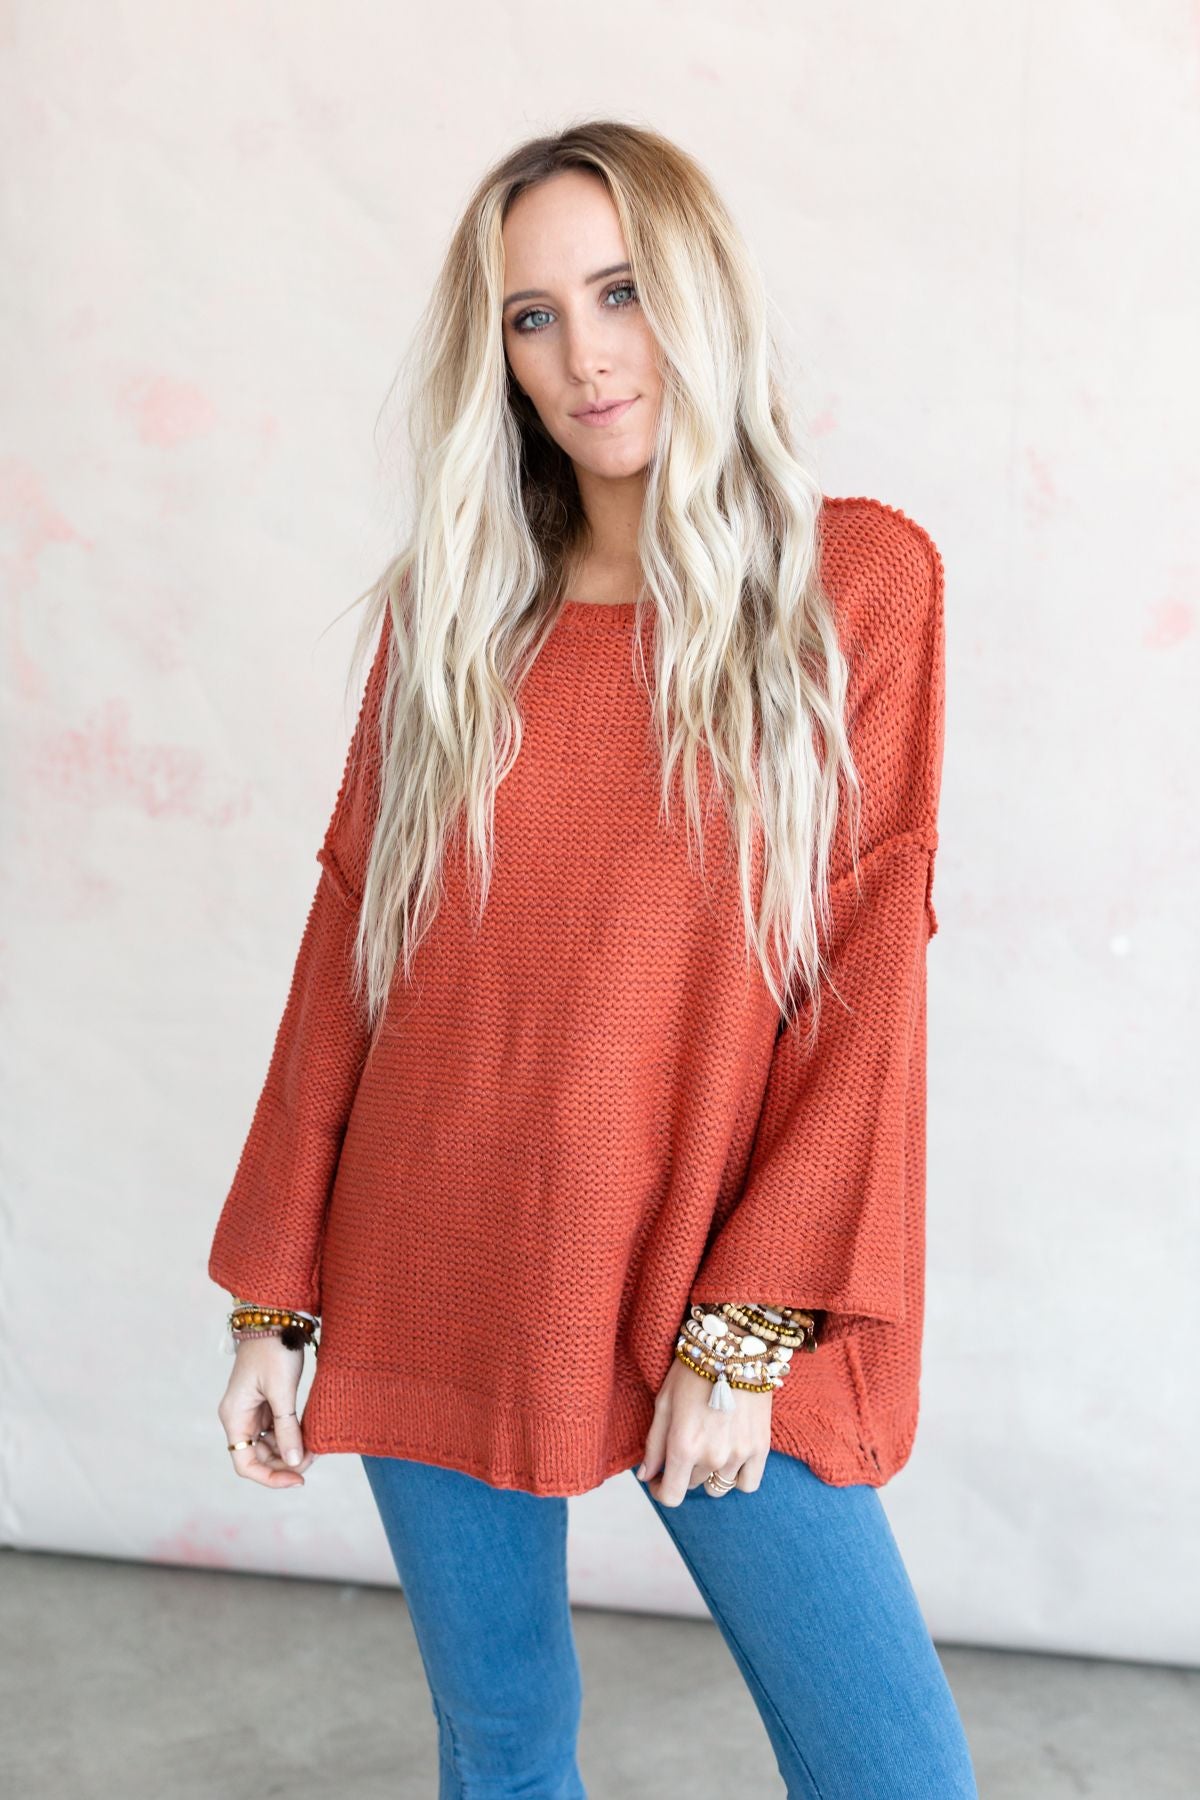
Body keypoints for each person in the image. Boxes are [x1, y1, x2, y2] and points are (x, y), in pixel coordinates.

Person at [210, 120, 978, 1798]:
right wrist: (273, 1297)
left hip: (712, 1263)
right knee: (501, 1750)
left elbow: (866, 994)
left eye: (621, 291)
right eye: (532, 316)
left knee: (892, 1771)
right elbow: (352, 943)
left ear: (699, 293)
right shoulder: (457, 609)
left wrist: (745, 1330)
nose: (584, 355)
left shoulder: (859, 586)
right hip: (435, 1235)